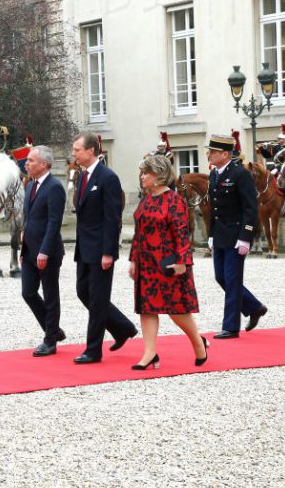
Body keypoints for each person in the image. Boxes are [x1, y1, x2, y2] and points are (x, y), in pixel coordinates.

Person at [129, 154, 208, 369]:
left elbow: (182, 234)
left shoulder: (174, 200)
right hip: (146, 264)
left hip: (168, 264)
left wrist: (183, 262)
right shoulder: (146, 199)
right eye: (142, 172)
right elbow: (138, 233)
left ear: (159, 176)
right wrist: (133, 260)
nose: (142, 176)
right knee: (147, 308)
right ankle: (150, 353)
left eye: (146, 173)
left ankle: (198, 344)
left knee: (177, 311)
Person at [71, 131, 138, 364]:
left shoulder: (108, 177)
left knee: (98, 299)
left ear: (91, 150)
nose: (74, 153)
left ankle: (93, 349)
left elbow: (112, 218)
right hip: (84, 248)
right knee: (82, 292)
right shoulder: (81, 177)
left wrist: (109, 251)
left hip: (100, 249)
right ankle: (122, 327)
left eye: (77, 149)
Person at [206, 134, 267, 339]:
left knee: (232, 280)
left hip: (236, 235)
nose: (209, 155)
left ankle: (231, 326)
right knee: (221, 277)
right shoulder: (214, 174)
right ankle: (254, 306)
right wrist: (211, 235)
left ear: (224, 154)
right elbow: (214, 209)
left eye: (212, 152)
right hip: (220, 235)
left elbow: (250, 208)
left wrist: (246, 237)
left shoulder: (240, 174)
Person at [20, 145, 67, 357]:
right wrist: (24, 250)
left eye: (30, 160)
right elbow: (28, 220)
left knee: (50, 295)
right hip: (30, 250)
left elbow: (54, 222)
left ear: (44, 164)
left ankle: (50, 341)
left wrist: (45, 251)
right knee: (28, 292)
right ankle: (54, 330)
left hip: (47, 252)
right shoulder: (30, 186)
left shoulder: (55, 187)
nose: (26, 163)